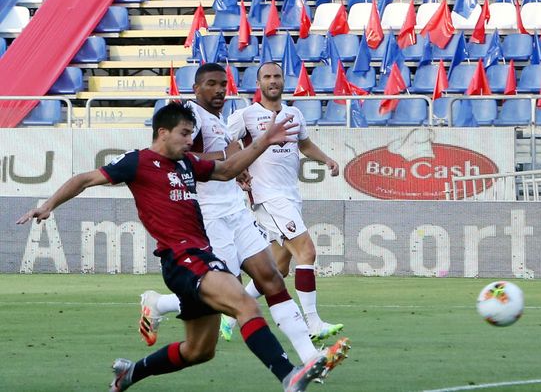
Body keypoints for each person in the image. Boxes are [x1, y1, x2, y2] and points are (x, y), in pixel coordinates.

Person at [16, 102, 325, 392]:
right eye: (185, 133)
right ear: (163, 132)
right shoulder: (138, 162)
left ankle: (130, 373)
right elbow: (84, 179)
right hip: (181, 258)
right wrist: (48, 205)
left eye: (192, 133)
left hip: (198, 256)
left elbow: (228, 170)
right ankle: (288, 375)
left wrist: (264, 141)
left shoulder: (188, 163)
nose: (191, 141)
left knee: (199, 351)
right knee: (245, 303)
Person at [137, 63, 348, 377]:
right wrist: (228, 159)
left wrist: (239, 173)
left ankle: (310, 358)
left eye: (223, 84)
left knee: (273, 277)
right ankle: (160, 303)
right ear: (196, 88)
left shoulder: (220, 119)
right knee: (232, 290)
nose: (220, 90)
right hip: (210, 217)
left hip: (237, 210)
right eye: (211, 84)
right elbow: (176, 157)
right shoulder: (191, 118)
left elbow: (225, 159)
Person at [227, 61, 343, 342]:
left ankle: (229, 315)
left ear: (283, 81)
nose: (273, 81)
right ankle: (312, 323)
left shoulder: (294, 113)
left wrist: (326, 158)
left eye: (277, 76)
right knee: (307, 252)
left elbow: (303, 144)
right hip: (267, 197)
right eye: (267, 77)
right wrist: (237, 167)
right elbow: (225, 140)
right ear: (259, 84)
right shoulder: (246, 115)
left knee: (278, 269)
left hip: (290, 195)